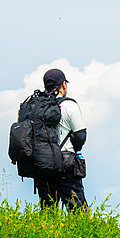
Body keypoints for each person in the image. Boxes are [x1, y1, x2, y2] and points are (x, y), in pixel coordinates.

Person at [34, 68, 88, 212]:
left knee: (47, 212)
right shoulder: (69, 105)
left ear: (45, 87)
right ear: (63, 85)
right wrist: (75, 149)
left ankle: (48, 233)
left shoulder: (37, 106)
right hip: (66, 165)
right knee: (79, 214)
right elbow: (81, 135)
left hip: (42, 166)